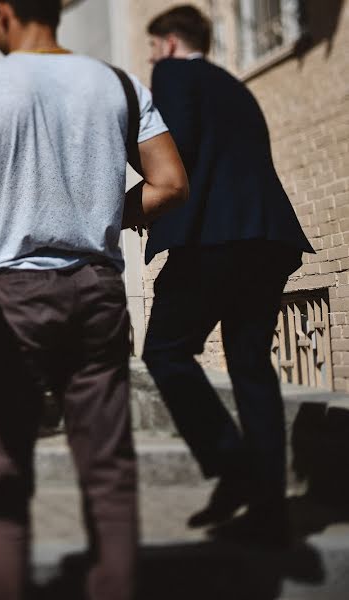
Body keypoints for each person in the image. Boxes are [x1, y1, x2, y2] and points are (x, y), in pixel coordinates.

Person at [0, 1, 189, 598]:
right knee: (108, 468)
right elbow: (171, 183)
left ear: (1, 12)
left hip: (10, 294)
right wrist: (102, 215)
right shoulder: (119, 83)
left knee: (3, 468)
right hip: (97, 289)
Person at [141, 5, 313, 545]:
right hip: (268, 237)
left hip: (213, 239)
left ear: (169, 42)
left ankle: (230, 464)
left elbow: (177, 151)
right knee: (250, 366)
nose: (151, 56)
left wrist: (137, 192)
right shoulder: (233, 86)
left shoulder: (171, 74)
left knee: (164, 351)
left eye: (152, 46)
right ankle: (267, 506)